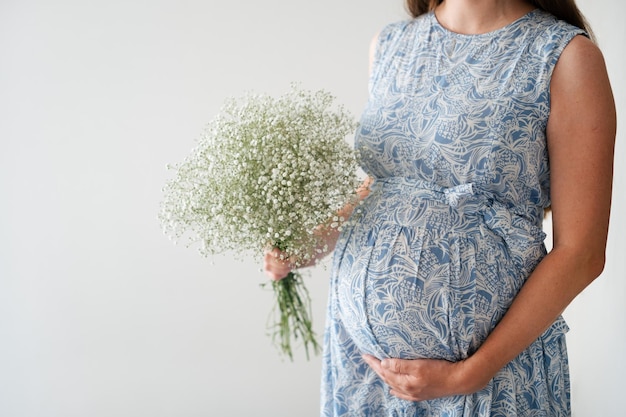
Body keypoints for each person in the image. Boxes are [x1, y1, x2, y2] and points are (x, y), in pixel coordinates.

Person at [264, 0, 616, 415]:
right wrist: (309, 243)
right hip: (365, 375)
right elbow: (382, 186)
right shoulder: (391, 44)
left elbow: (582, 254)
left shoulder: (564, 57)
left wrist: (470, 373)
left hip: (487, 377)